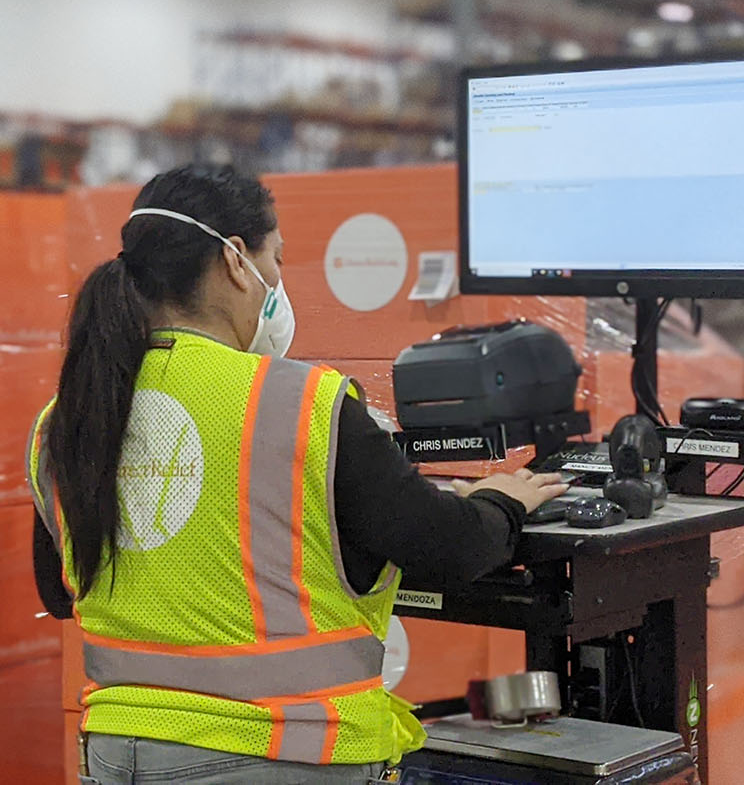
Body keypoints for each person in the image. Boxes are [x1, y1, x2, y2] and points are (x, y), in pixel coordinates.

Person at [28, 164, 567, 785]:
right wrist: (502, 500)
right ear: (236, 260)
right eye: (275, 258)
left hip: (118, 753)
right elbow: (448, 546)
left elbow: (60, 589)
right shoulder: (301, 403)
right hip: (285, 751)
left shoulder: (70, 414)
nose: (279, 281)